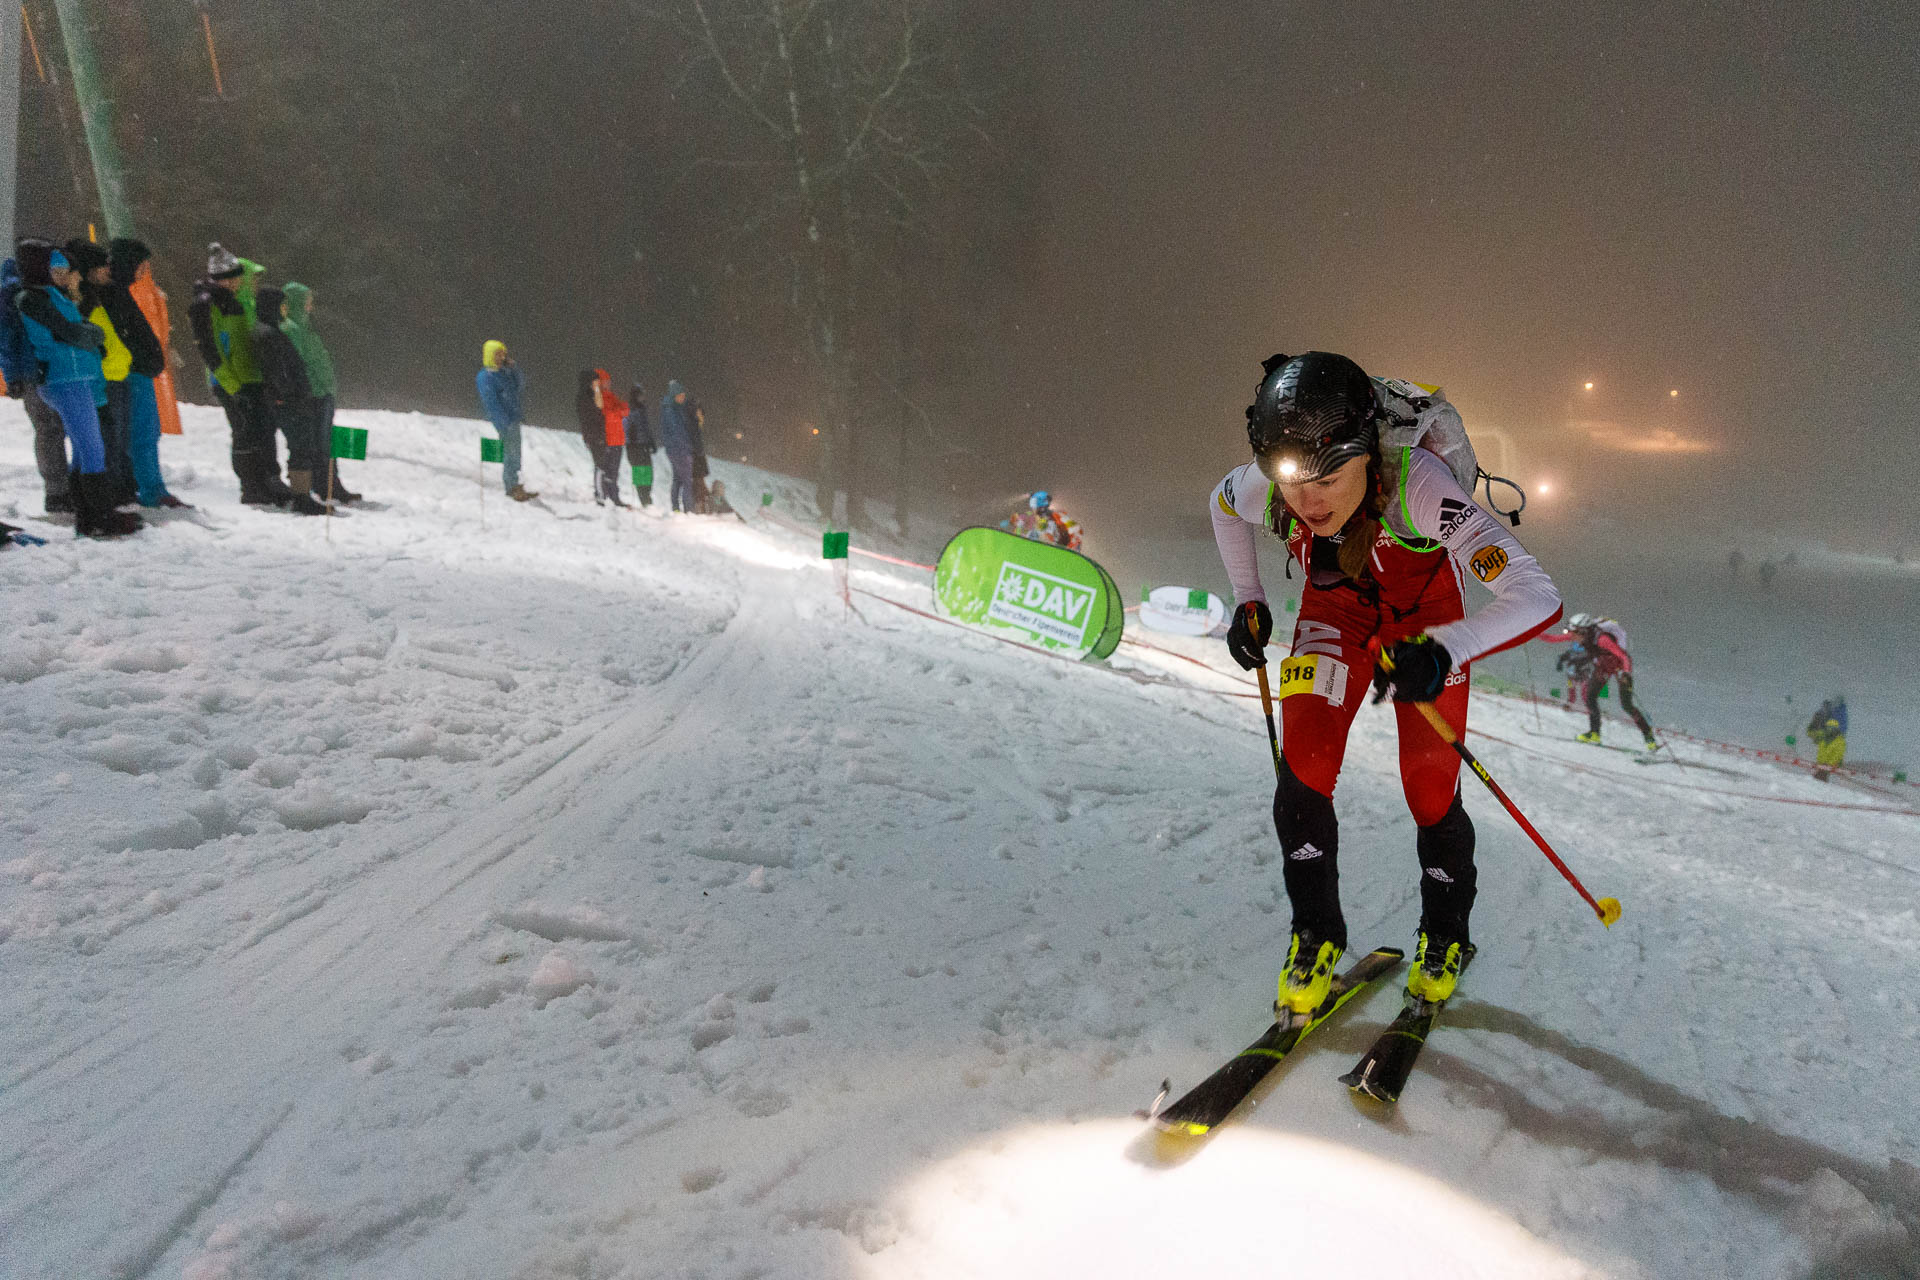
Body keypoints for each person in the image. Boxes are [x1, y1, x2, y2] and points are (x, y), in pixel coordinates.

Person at [1211, 351, 1561, 1019]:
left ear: (1366, 453)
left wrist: (1443, 649)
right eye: (1289, 483)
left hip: (1425, 622)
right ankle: (1315, 934)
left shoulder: (1419, 486)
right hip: (1335, 614)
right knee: (1301, 776)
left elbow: (1536, 595)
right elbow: (1222, 505)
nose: (1308, 503)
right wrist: (1248, 601)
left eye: (1329, 478)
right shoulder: (1271, 485)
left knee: (1429, 788)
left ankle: (1445, 935)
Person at [12, 242, 140, 537]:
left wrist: (88, 335)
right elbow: (72, 332)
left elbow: (83, 333)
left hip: (77, 377)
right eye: (56, 268)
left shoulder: (54, 296)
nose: (64, 274)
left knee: (87, 449)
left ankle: (90, 516)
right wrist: (89, 335)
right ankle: (99, 518)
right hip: (63, 379)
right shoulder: (32, 298)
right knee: (92, 448)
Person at [73, 238, 185, 510]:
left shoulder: (117, 292)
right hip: (127, 373)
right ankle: (145, 489)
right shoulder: (107, 295)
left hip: (132, 370)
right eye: (141, 266)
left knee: (131, 434)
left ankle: (139, 488)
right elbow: (116, 337)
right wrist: (139, 358)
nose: (144, 272)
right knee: (135, 434)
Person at [190, 243, 291, 505]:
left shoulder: (232, 302)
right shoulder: (209, 304)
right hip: (233, 382)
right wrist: (233, 386)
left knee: (258, 432)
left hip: (249, 379)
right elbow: (211, 349)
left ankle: (262, 483)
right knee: (244, 433)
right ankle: (251, 487)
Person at [1, 247, 75, 514]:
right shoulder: (15, 293)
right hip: (34, 372)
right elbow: (6, 338)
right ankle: (58, 492)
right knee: (50, 428)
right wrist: (12, 376)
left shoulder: (32, 289)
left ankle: (60, 490)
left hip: (41, 369)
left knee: (52, 429)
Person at [252, 285, 331, 515]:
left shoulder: (268, 331)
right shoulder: (270, 335)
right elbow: (279, 372)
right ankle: (302, 496)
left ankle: (301, 493)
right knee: (301, 445)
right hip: (288, 401)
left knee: (300, 445)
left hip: (286, 399)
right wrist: (291, 395)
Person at [280, 282, 359, 504]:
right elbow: (300, 363)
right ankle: (322, 485)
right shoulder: (292, 328)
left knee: (327, 441)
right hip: (313, 393)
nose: (310, 306)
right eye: (307, 301)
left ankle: (332, 484)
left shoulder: (306, 327)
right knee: (317, 442)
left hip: (323, 391)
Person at [1542, 613, 1659, 751]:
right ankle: (1594, 733)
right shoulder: (1579, 635)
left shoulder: (1602, 639)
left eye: (1573, 632)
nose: (1571, 636)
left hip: (1620, 666)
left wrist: (1626, 673)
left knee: (1627, 704)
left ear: (1583, 631)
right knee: (1590, 697)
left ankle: (1649, 737)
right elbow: (1551, 639)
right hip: (1603, 666)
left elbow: (1623, 656)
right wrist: (1530, 633)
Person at [476, 340, 534, 501]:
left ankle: (515, 484)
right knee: (509, 453)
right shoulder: (485, 376)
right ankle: (511, 487)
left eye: (503, 354)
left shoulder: (504, 372)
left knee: (516, 453)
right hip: (505, 422)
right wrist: (504, 421)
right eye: (498, 354)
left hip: (513, 418)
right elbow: (491, 402)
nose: (501, 357)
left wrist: (513, 368)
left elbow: (520, 385)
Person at [576, 369, 629, 506]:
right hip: (603, 436)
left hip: (613, 437)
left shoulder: (608, 396)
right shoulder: (589, 396)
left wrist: (617, 412)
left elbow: (624, 409)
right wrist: (616, 412)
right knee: (602, 467)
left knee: (612, 470)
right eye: (602, 381)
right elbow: (602, 413)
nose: (606, 384)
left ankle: (612, 495)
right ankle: (601, 495)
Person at [659, 379, 700, 513]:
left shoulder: (674, 408)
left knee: (678, 479)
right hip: (679, 451)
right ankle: (689, 510)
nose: (683, 397)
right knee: (687, 481)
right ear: (675, 395)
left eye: (683, 395)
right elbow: (678, 432)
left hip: (676, 450)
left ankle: (676, 508)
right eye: (681, 395)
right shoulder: (671, 411)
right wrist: (688, 446)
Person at [622, 382, 656, 506]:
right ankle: (644, 499)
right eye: (641, 395)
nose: (643, 397)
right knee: (640, 473)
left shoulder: (642, 410)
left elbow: (646, 428)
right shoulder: (630, 410)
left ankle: (646, 496)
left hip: (644, 446)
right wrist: (630, 441)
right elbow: (625, 426)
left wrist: (651, 441)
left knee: (648, 473)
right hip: (635, 447)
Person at [1807, 696, 1847, 782]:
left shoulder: (1838, 740)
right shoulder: (1825, 736)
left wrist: (1828, 765)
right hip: (1822, 764)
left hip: (1827, 765)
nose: (1829, 730)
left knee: (1820, 782)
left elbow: (1837, 755)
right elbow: (1813, 735)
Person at [1553, 638, 1595, 707]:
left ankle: (1588, 705)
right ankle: (1570, 702)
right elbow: (1562, 657)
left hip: (1583, 675)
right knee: (1571, 689)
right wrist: (1559, 662)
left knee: (1584, 691)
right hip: (1571, 675)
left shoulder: (1587, 653)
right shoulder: (1571, 651)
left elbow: (1591, 661)